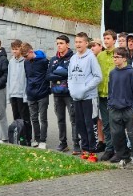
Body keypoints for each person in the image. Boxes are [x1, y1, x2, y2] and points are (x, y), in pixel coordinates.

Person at [68, 32, 103, 162]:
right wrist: (72, 89)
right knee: (80, 124)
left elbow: (98, 77)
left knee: (90, 124)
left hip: (89, 97)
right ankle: (85, 149)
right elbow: (70, 76)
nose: (78, 44)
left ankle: (93, 151)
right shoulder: (73, 58)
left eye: (80, 42)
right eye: (76, 42)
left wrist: (85, 88)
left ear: (86, 43)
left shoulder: (91, 57)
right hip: (76, 97)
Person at [108, 47, 133, 169]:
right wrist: (110, 103)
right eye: (114, 57)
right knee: (117, 135)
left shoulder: (131, 73)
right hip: (114, 108)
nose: (115, 59)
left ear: (124, 58)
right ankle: (124, 156)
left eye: (117, 57)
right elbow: (110, 90)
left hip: (128, 109)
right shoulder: (112, 73)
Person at [46, 35, 77, 152]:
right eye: (57, 43)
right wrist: (61, 73)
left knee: (74, 119)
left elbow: (70, 74)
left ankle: (76, 144)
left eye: (61, 43)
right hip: (57, 94)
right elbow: (48, 76)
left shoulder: (73, 58)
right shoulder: (53, 59)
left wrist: (57, 72)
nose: (59, 45)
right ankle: (63, 143)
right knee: (60, 119)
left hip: (69, 94)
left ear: (67, 44)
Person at [23, 42, 50, 149]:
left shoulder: (44, 61)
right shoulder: (26, 62)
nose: (25, 58)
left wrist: (45, 88)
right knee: (34, 118)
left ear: (31, 51)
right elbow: (27, 77)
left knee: (43, 118)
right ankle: (37, 139)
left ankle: (43, 140)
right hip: (31, 94)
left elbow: (48, 75)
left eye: (26, 56)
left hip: (42, 93)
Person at [6, 39, 32, 146]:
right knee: (16, 118)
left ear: (21, 49)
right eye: (13, 49)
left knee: (25, 118)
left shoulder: (25, 61)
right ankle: (19, 137)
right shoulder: (11, 62)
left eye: (16, 49)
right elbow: (9, 79)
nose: (14, 51)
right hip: (13, 94)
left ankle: (28, 138)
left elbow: (26, 79)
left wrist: (25, 95)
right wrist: (8, 95)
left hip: (22, 95)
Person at [96, 30, 117, 161]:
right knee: (106, 123)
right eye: (104, 38)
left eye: (108, 38)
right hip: (102, 95)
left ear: (114, 40)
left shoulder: (118, 54)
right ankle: (109, 148)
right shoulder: (100, 55)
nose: (106, 41)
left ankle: (118, 149)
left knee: (116, 123)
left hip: (114, 95)